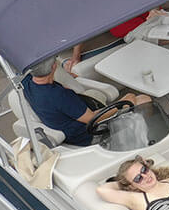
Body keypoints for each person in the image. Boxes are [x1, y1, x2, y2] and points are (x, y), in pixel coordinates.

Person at [21, 55, 150, 147]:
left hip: (68, 120)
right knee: (143, 99)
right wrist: (123, 103)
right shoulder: (60, 96)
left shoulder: (26, 82)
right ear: (54, 66)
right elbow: (92, 119)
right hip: (88, 135)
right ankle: (144, 139)